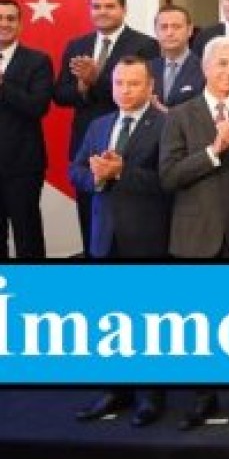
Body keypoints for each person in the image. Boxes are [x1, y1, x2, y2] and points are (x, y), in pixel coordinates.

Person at [159, 36, 229, 429]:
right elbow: (169, 176)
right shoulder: (180, 114)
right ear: (205, 68)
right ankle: (203, 397)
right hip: (196, 235)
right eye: (222, 63)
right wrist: (214, 150)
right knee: (200, 321)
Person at [69, 57, 170, 427]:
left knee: (147, 319)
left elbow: (169, 180)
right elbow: (75, 169)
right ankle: (116, 389)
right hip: (103, 235)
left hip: (147, 237)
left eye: (133, 83)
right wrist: (96, 177)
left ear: (150, 87)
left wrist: (122, 172)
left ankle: (150, 395)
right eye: (118, 83)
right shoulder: (99, 125)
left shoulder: (166, 124)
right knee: (109, 318)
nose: (124, 90)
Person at [53, 0, 160, 252]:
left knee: (131, 227)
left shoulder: (145, 45)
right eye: (96, 6)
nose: (102, 12)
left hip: (135, 145)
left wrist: (96, 79)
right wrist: (82, 87)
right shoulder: (77, 45)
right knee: (92, 225)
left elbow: (136, 93)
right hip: (90, 142)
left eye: (109, 6)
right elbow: (61, 94)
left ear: (123, 9)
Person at [0, 0, 54, 260]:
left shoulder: (37, 61)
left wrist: (3, 86)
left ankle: (34, 285)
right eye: (0, 18)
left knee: (27, 236)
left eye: (10, 18)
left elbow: (38, 107)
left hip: (22, 166)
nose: (4, 23)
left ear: (20, 24)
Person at [149, 5, 204, 109]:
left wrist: (166, 112)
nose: (169, 33)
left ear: (190, 30)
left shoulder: (204, 69)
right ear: (156, 31)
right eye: (164, 27)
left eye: (176, 27)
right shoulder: (147, 68)